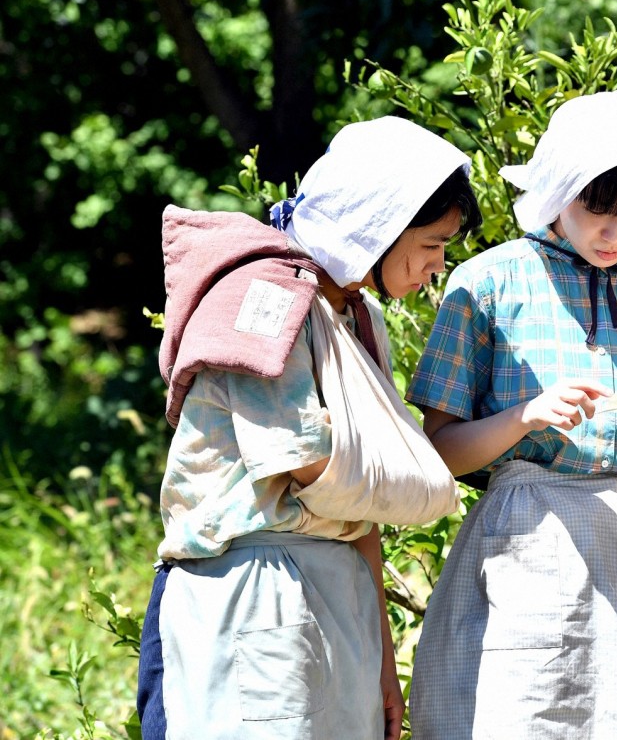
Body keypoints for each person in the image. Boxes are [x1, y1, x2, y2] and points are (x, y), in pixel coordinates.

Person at [405, 89, 617, 740]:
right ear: (559, 188)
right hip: (528, 530)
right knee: (529, 716)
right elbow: (440, 450)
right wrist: (525, 417)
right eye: (599, 212)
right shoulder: (487, 282)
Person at [135, 116, 482, 740]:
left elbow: (360, 518)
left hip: (335, 596)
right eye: (430, 244)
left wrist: (382, 664)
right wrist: (427, 488)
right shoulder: (264, 297)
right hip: (253, 589)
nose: (437, 266)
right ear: (377, 226)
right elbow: (305, 464)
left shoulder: (353, 313)